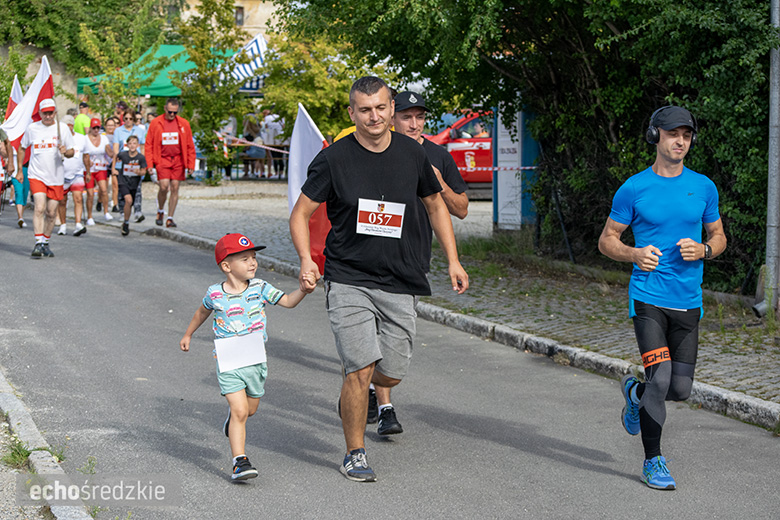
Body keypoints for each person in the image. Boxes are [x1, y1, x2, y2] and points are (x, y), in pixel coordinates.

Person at [289, 76, 469, 482]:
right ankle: (355, 452)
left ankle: (358, 394)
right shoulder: (334, 159)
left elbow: (437, 207)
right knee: (358, 367)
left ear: (391, 110)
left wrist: (453, 261)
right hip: (348, 276)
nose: (374, 116)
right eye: (364, 109)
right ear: (351, 113)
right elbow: (300, 214)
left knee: (389, 373)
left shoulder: (413, 154)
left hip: (401, 279)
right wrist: (306, 259)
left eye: (381, 108)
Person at [597, 105, 727, 490]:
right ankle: (653, 461)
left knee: (679, 390)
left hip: (688, 301)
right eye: (673, 134)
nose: (680, 141)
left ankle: (634, 393)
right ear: (655, 136)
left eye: (686, 135)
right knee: (661, 379)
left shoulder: (703, 186)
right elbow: (607, 240)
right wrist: (635, 254)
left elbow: (719, 237)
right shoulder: (634, 188)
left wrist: (704, 250)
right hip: (648, 297)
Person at [359, 91, 471, 434]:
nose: (414, 123)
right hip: (370, 257)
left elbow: (461, 208)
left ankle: (365, 386)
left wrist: (438, 184)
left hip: (414, 257)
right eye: (407, 116)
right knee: (372, 332)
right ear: (393, 116)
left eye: (419, 116)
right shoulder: (377, 149)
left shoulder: (437, 155)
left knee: (393, 338)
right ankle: (386, 406)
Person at [180, 233, 316, 480]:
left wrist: (303, 291)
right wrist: (188, 334)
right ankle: (239, 462)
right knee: (241, 410)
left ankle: (232, 421)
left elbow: (287, 301)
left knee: (249, 410)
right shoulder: (214, 294)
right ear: (226, 266)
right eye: (245, 259)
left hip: (255, 361)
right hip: (228, 361)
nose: (253, 262)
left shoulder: (261, 288)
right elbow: (201, 313)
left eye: (253, 257)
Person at [16, 99, 74, 258]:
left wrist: (65, 151)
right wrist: (20, 170)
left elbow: (72, 152)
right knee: (40, 207)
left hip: (55, 177)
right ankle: (38, 242)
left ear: (55, 112)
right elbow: (22, 147)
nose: (48, 116)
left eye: (51, 112)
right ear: (40, 113)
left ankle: (45, 242)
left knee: (51, 212)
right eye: (45, 113)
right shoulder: (33, 128)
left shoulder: (62, 129)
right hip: (37, 175)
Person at [146, 98, 196, 228]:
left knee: (175, 187)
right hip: (162, 159)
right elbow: (149, 144)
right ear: (165, 109)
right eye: (170, 112)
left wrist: (191, 164)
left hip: (178, 159)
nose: (172, 115)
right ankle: (160, 210)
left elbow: (190, 145)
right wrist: (150, 164)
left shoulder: (183, 123)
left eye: (175, 112)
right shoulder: (156, 123)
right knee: (163, 186)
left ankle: (170, 217)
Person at [56, 115, 89, 237]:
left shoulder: (81, 138)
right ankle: (63, 225)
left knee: (78, 198)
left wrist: (88, 172)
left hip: (77, 173)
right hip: (62, 174)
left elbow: (86, 155)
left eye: (70, 124)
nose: (69, 127)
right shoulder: (58, 139)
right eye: (66, 125)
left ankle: (78, 224)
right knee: (62, 201)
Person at [114, 109, 146, 220]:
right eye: (126, 119)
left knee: (137, 188)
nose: (128, 121)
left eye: (131, 119)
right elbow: (116, 148)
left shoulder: (140, 130)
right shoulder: (118, 131)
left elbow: (142, 147)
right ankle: (123, 212)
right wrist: (115, 164)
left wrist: (143, 163)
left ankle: (137, 211)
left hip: (136, 163)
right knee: (122, 189)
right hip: (122, 164)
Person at [114, 135, 147, 236]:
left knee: (130, 203)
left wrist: (139, 173)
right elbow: (116, 164)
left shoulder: (141, 157)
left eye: (134, 143)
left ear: (137, 145)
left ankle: (125, 221)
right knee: (128, 200)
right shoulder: (122, 155)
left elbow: (144, 171)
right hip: (123, 181)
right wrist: (114, 171)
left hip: (134, 183)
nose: (132, 145)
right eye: (130, 143)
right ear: (127, 145)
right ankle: (126, 222)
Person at [83, 117, 114, 222]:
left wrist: (114, 154)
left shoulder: (104, 138)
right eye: (94, 128)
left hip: (101, 167)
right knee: (90, 193)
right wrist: (87, 169)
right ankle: (90, 216)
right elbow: (84, 155)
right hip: (89, 169)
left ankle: (106, 212)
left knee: (104, 190)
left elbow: (108, 150)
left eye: (98, 127)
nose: (96, 130)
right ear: (90, 128)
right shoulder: (85, 139)